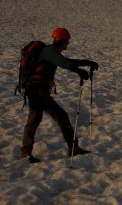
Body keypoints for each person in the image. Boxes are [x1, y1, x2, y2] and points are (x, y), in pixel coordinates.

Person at [18, 28, 99, 163]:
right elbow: (63, 63)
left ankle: (72, 147)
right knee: (36, 119)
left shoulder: (51, 51)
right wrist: (78, 71)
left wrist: (86, 62)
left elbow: (64, 60)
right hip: (36, 91)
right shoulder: (49, 51)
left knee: (54, 117)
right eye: (67, 41)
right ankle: (26, 152)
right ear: (63, 40)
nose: (68, 43)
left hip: (39, 91)